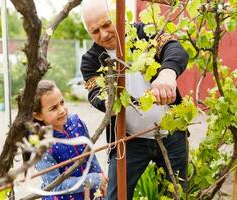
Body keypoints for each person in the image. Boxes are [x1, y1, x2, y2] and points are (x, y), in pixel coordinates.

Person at [80, 0, 189, 199]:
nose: (103, 34)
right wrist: (107, 103)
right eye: (95, 31)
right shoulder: (90, 60)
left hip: (172, 133)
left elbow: (175, 49)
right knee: (115, 196)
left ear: (118, 15)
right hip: (128, 140)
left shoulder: (144, 33)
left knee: (177, 193)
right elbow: (94, 91)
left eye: (106, 24)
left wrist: (167, 73)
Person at [33, 80, 108, 200]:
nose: (62, 110)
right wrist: (92, 180)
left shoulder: (76, 122)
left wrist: (100, 174)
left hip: (91, 194)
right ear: (38, 115)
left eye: (62, 102)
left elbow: (90, 154)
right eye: (53, 108)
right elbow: (54, 186)